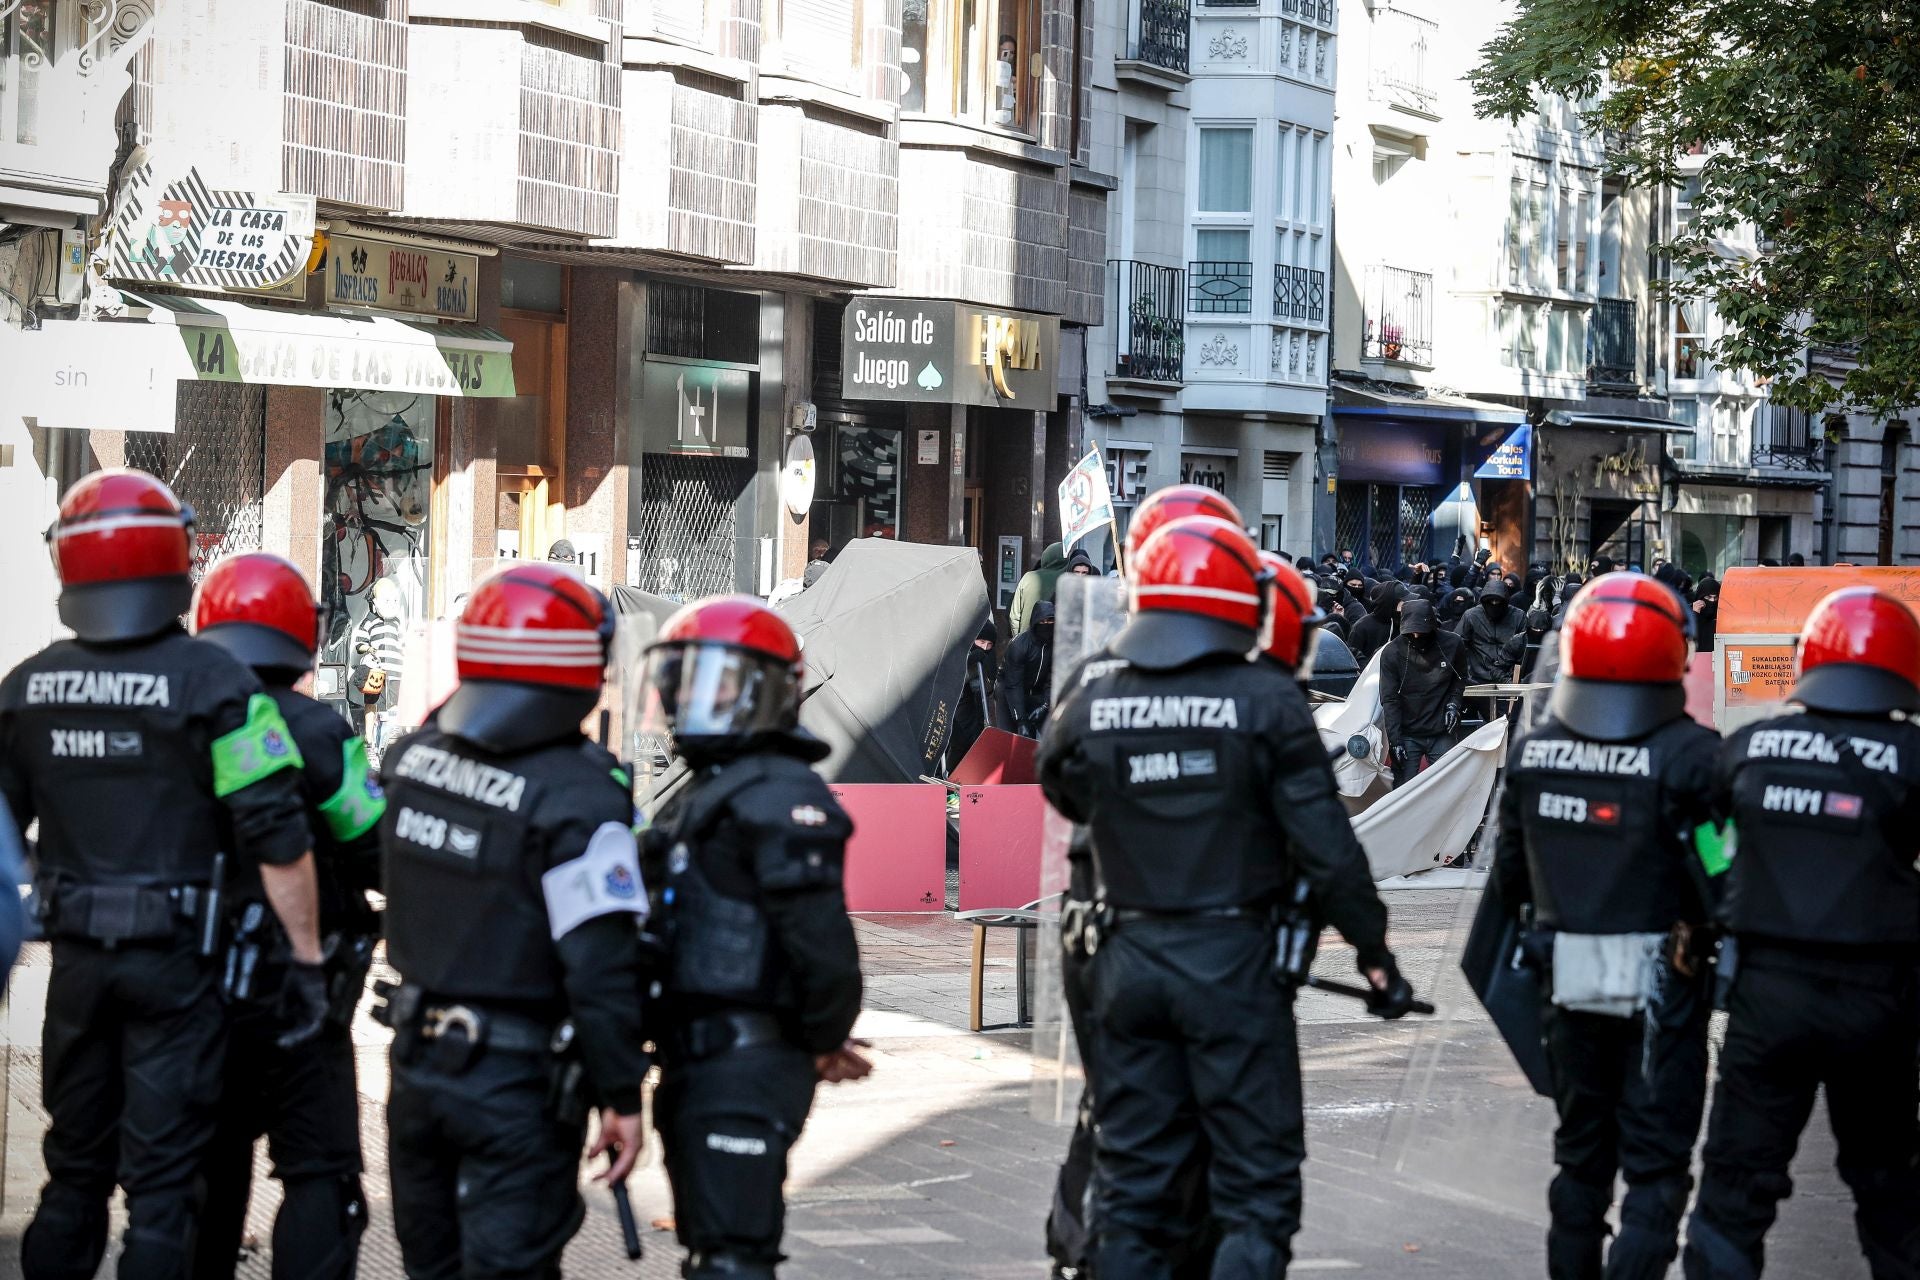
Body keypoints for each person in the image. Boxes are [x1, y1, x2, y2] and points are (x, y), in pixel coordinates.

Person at [1038, 513, 1416, 1278]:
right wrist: (1376, 958)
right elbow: (1329, 852)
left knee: (1135, 1191)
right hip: (1231, 968)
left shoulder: (1095, 696)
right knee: (1255, 1191)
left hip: (1124, 962)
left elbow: (1064, 788)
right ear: (1236, 602)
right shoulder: (1266, 700)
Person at [1, 470, 326, 1280]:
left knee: (73, 1175)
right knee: (162, 1190)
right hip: (180, 976)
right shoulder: (215, 683)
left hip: (74, 975)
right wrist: (309, 960)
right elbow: (279, 837)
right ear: (172, 562)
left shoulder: (27, 689)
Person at [379, 563, 650, 1277]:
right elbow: (600, 967)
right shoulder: (582, 800)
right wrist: (622, 1095)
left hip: (415, 1070)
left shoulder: (410, 761)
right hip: (516, 1086)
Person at [1683, 587, 1920, 1280]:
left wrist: (1724, 890)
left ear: (1811, 659)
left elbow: (1700, 829)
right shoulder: (1911, 754)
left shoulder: (1750, 746)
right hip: (1879, 1001)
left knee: (1733, 1194)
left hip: (1766, 995)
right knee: (1892, 1195)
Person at [1493, 574, 1721, 1280]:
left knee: (1580, 1164)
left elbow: (1510, 878)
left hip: (1565, 979)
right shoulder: (1694, 756)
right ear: (1673, 655)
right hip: (1664, 989)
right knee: (1656, 1173)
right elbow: (1723, 870)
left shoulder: (1533, 753)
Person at [638, 596, 869, 1278]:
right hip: (695, 1063)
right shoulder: (704, 790)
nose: (696, 699)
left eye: (722, 682)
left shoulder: (779, 795)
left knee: (733, 1259)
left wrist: (824, 1038)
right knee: (711, 1251)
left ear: (770, 694)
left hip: (745, 1065)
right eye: (687, 679)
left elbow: (824, 951)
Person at [191, 554, 385, 1280]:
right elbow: (376, 850)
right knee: (321, 1179)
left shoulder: (181, 722)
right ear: (305, 636)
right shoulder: (321, 733)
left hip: (196, 995)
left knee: (201, 1183)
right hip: (302, 997)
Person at [1380, 598, 1467, 787]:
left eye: (1422, 632)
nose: (1417, 637)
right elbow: (1389, 699)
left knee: (1449, 784)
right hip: (1408, 732)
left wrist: (1454, 704)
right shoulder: (1392, 652)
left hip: (1441, 729)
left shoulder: (1453, 643)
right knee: (1405, 790)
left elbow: (1459, 679)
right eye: (1412, 633)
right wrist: (1395, 740)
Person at [999, 600, 1056, 737]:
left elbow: (1054, 677)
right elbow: (1013, 684)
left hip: (1037, 693)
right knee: (1011, 736)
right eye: (1042, 622)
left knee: (1045, 734)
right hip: (1008, 690)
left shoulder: (1056, 644)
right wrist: (1021, 720)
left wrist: (1045, 705)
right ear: (1035, 621)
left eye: (1050, 621)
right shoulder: (1019, 645)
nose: (1046, 625)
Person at [949, 617, 999, 767]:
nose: (984, 648)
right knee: (958, 745)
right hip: (957, 709)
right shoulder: (958, 652)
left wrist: (988, 670)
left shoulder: (989, 656)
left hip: (977, 710)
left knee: (974, 745)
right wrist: (970, 662)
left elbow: (990, 688)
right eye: (981, 642)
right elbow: (950, 681)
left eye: (989, 644)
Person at [1458, 578, 1527, 686]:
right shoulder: (1471, 616)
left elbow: (1525, 647)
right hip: (1477, 678)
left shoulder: (1518, 616)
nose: (1494, 604)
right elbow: (1458, 644)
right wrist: (1465, 673)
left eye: (1498, 601)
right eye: (1491, 601)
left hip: (1508, 678)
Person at [1011, 542, 1067, 636]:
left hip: (1027, 639)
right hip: (1055, 642)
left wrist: (1018, 638)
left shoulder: (1028, 578)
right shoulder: (1069, 580)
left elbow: (1014, 616)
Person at [1347, 580, 1405, 664]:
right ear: (1391, 603)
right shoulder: (1361, 627)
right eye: (1403, 602)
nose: (1406, 605)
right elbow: (1352, 659)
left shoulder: (1402, 623)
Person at [1691, 576, 1720, 653]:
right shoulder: (1689, 614)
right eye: (1708, 597)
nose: (1712, 601)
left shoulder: (1722, 616)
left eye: (1716, 598)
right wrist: (1694, 615)